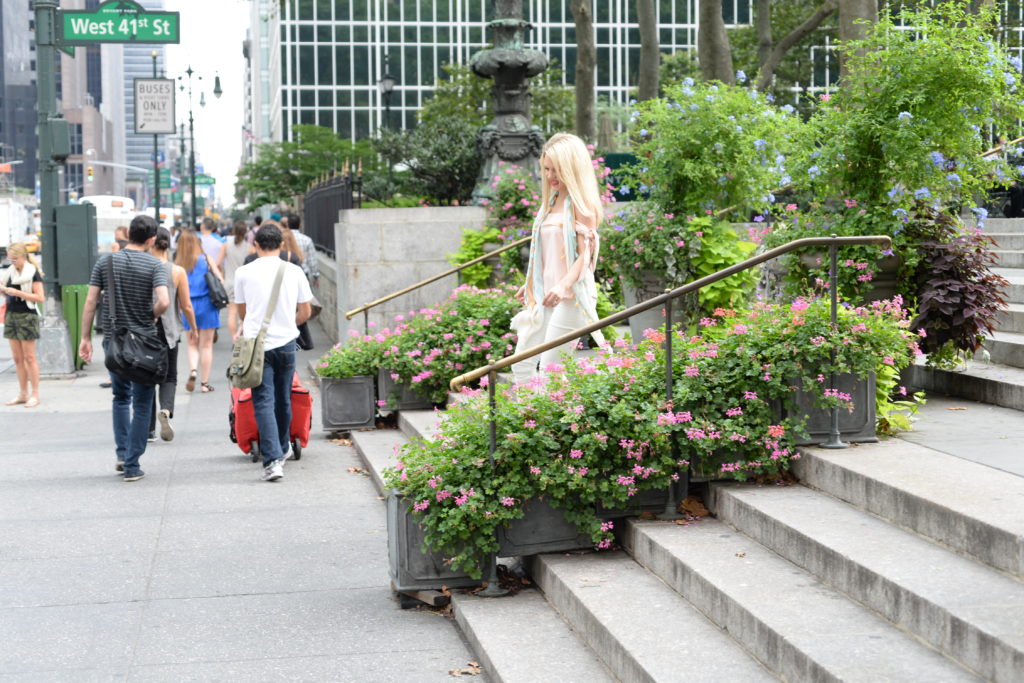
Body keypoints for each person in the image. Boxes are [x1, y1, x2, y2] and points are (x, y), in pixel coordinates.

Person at [79, 215, 169, 481]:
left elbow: (90, 301)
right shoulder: (156, 265)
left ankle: (121, 453)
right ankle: (132, 465)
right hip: (144, 343)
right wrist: (150, 315)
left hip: (114, 340)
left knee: (120, 398)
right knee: (142, 403)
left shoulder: (105, 262)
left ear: (128, 234)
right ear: (152, 239)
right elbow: (164, 301)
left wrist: (85, 338)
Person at [511, 132, 604, 385]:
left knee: (551, 369)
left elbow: (585, 257)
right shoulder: (549, 203)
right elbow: (546, 252)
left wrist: (563, 285)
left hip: (571, 296)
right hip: (545, 295)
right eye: (547, 169)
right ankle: (529, 418)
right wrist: (530, 281)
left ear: (572, 168)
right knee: (521, 364)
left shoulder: (583, 205)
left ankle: (552, 421)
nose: (551, 176)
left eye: (557, 170)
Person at [234, 223, 312, 482]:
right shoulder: (294, 271)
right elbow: (306, 312)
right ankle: (282, 447)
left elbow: (242, 312)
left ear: (256, 245)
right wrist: (289, 325)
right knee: (284, 397)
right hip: (288, 343)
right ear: (281, 245)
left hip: (257, 345)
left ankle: (273, 461)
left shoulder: (243, 272)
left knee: (263, 401)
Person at [147, 227, 198, 441]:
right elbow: (185, 305)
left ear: (150, 242)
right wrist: (193, 328)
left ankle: (148, 428)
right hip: (169, 330)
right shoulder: (176, 271)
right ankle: (166, 410)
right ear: (169, 244)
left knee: (146, 376)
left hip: (145, 329)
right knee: (169, 376)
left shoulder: (143, 267)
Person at [174, 229, 224, 393]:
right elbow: (220, 280)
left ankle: (193, 371)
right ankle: (204, 383)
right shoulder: (206, 259)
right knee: (207, 346)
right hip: (207, 305)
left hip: (188, 306)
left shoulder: (179, 263)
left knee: (192, 343)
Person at [2, 242, 45, 407]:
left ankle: (35, 394)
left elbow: (40, 298)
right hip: (11, 315)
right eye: (10, 259)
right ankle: (22, 393)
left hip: (27, 316)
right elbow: (5, 287)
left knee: (29, 357)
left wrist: (18, 292)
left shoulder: (32, 272)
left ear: (22, 257)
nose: (11, 262)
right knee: (17, 358)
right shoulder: (11, 272)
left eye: (14, 259)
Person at [222, 220, 254, 340]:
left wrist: (222, 274)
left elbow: (218, 263)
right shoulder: (250, 248)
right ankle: (243, 336)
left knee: (232, 313)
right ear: (246, 232)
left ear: (233, 231)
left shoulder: (226, 246)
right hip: (246, 283)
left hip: (230, 282)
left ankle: (234, 340)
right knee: (246, 313)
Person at [285, 213, 319, 287]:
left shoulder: (283, 239)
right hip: (303, 272)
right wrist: (315, 275)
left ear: (287, 224)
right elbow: (312, 260)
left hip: (286, 274)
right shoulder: (307, 240)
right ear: (299, 225)